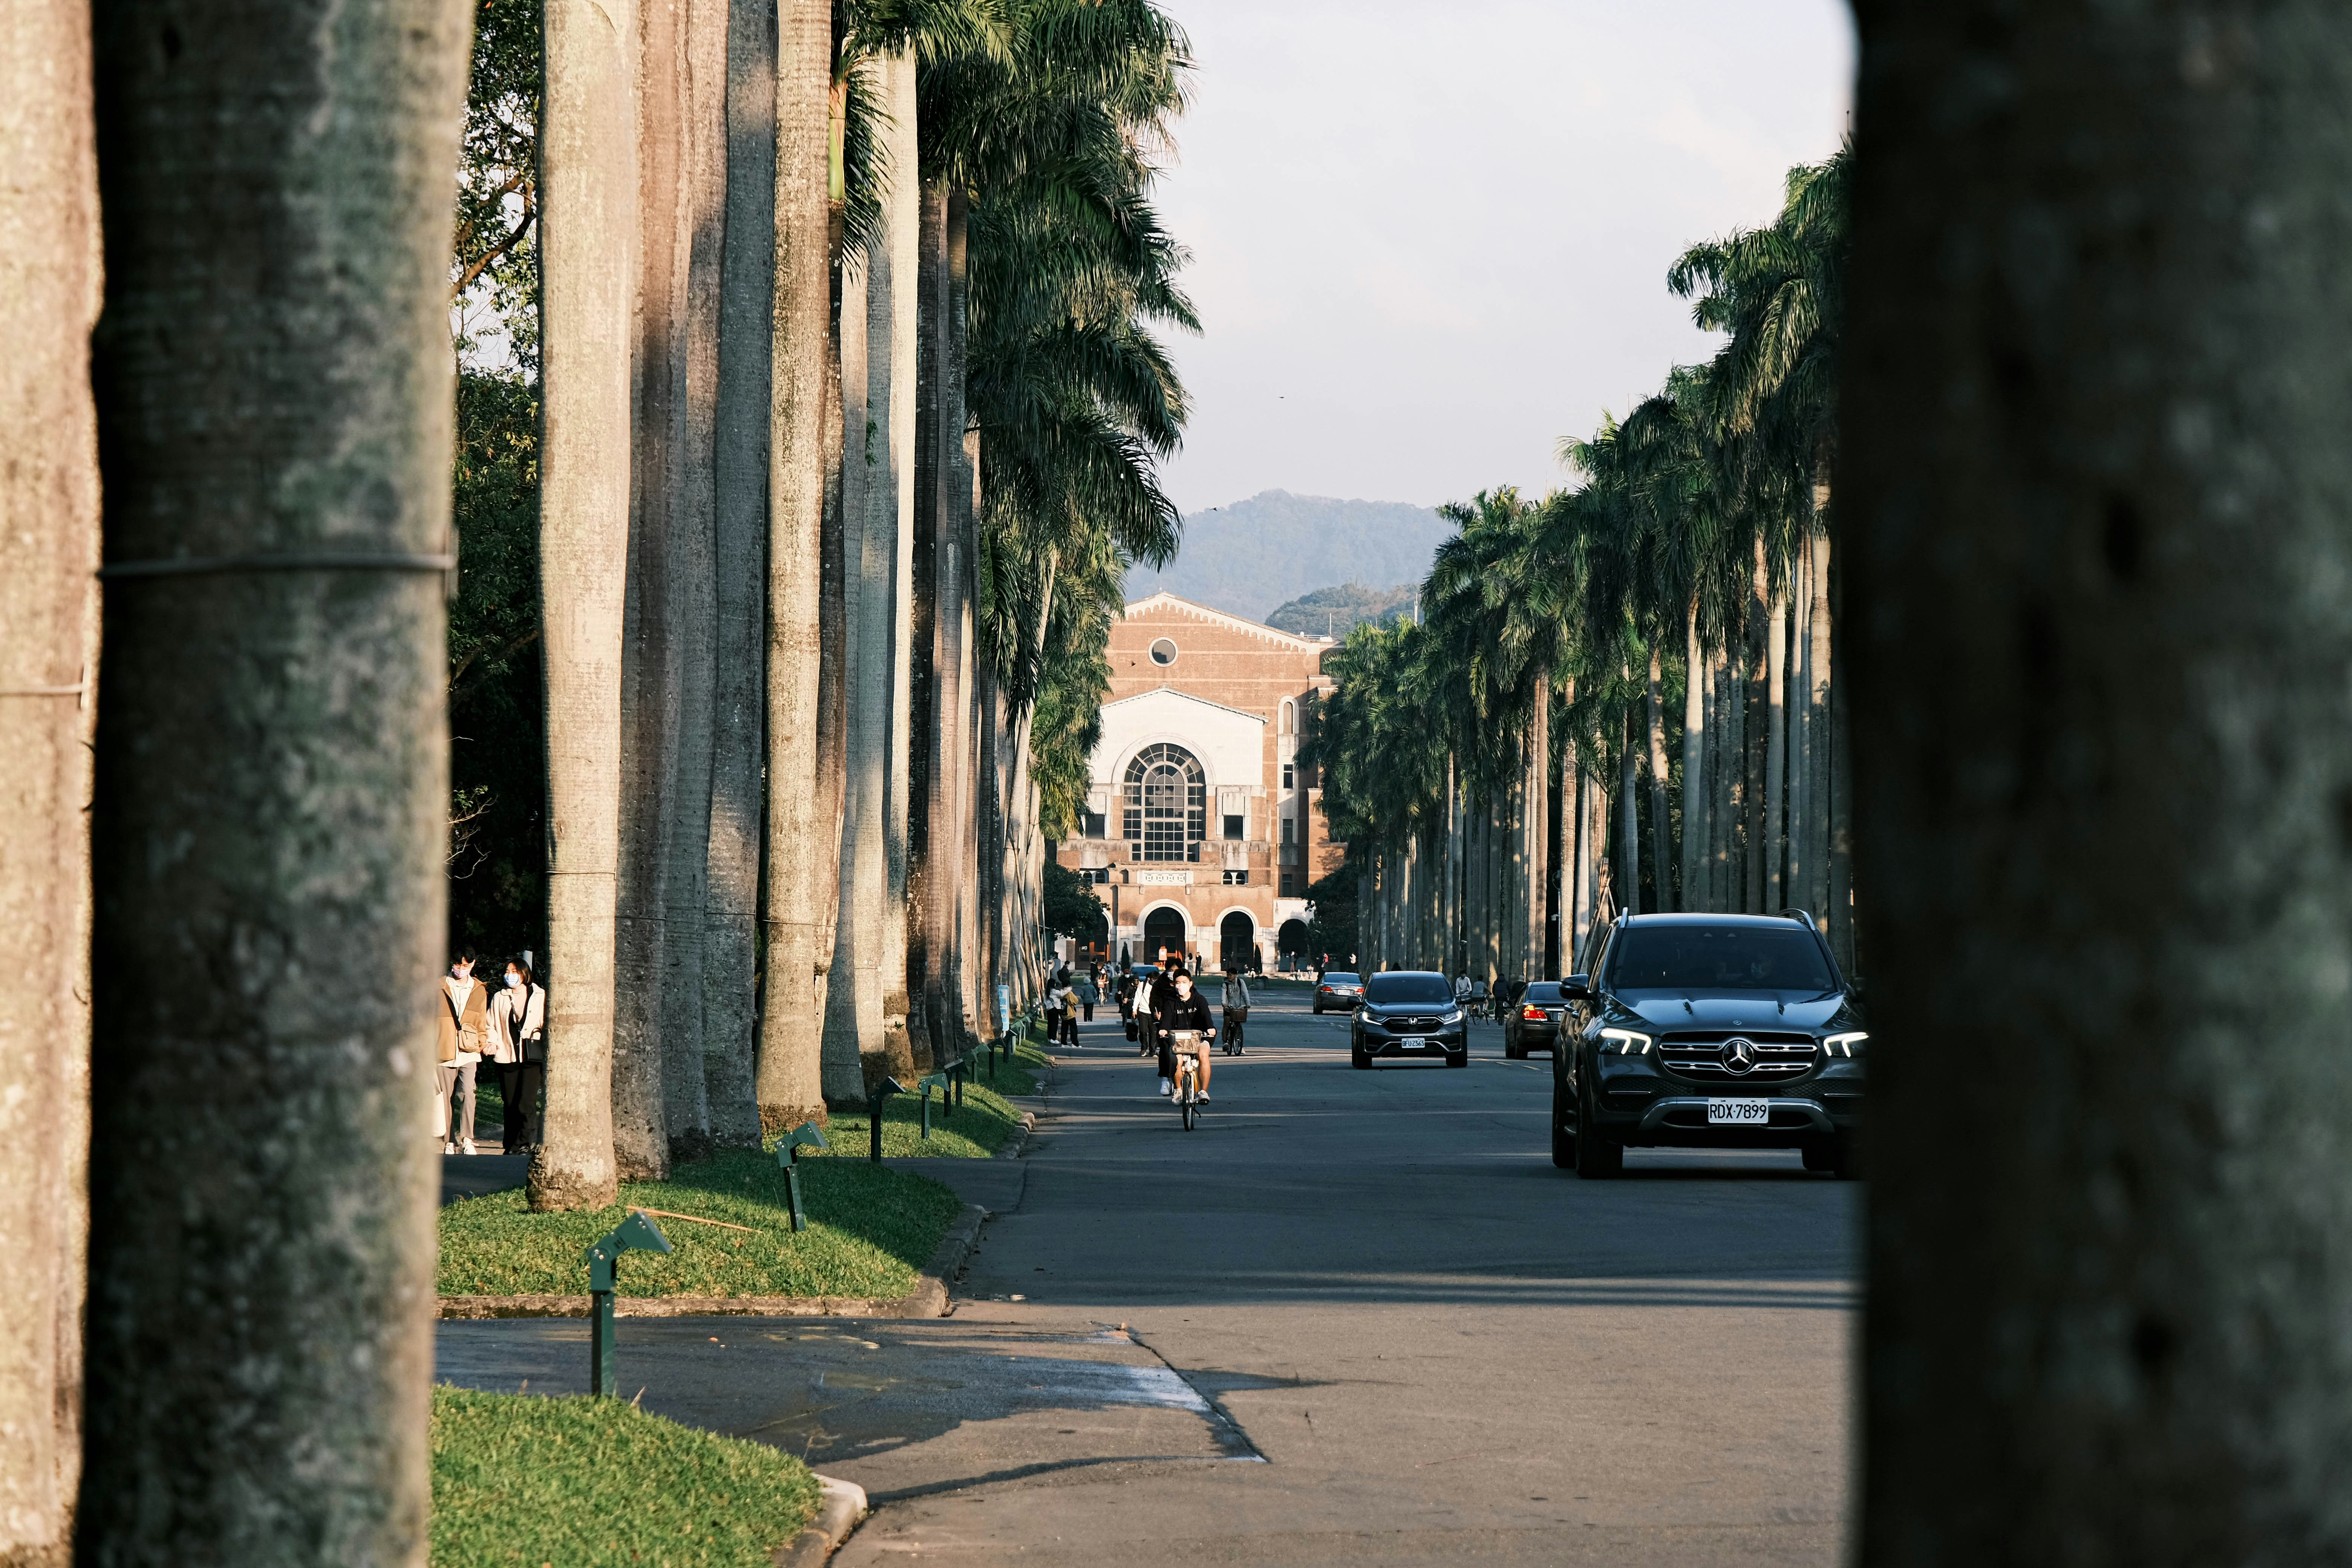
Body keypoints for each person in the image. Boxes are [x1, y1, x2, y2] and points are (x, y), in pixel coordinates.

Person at [487, 955, 547, 1153]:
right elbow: (491, 1024)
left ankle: (524, 1143)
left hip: (531, 1056)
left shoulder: (540, 996)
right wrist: (492, 1043)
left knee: (526, 1102)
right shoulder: (500, 997)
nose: (509, 976)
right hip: (507, 1055)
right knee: (510, 1103)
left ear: (524, 974)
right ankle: (511, 1144)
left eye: (514, 972)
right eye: (507, 972)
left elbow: (545, 1022)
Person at [436, 950, 489, 1155]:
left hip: (469, 1050)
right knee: (445, 1098)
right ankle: (449, 1140)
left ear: (473, 964)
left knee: (468, 1092)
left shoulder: (478, 989)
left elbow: (481, 1020)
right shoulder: (439, 986)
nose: (460, 969)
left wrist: (482, 1042)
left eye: (465, 966)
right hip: (443, 1049)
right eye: (457, 965)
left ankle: (468, 1138)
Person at [1153, 967, 1216, 1098]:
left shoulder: (1200, 1000)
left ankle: (1204, 1092)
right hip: (1178, 1038)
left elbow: (1207, 1017)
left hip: (1200, 1037)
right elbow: (1167, 1019)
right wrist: (1164, 1029)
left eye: (1184, 982)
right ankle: (1178, 1089)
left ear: (1190, 983)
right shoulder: (1171, 1002)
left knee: (1203, 1054)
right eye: (1178, 983)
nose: (1181, 986)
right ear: (1174, 985)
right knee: (1176, 1059)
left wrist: (1211, 1028)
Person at [1220, 967, 1252, 1055]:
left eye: (1231, 975)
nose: (1229, 976)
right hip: (1229, 1007)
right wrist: (1224, 1004)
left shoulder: (1240, 982)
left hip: (1239, 1007)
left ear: (1235, 975)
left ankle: (1238, 1044)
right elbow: (1223, 995)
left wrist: (1248, 1003)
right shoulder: (1225, 984)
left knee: (1238, 1024)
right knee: (1226, 1023)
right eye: (1228, 975)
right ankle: (1225, 1041)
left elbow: (1245, 993)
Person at [1048, 969, 1078, 1047]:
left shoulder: (1059, 992)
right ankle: (1075, 1043)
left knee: (1064, 1029)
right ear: (1068, 985)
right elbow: (1075, 1001)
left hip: (1063, 1013)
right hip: (1070, 1013)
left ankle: (1064, 1043)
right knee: (1073, 1029)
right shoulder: (1069, 993)